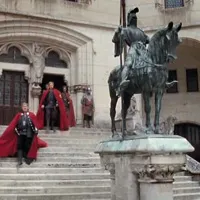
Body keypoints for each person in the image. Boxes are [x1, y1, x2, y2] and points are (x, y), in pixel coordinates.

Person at [112, 7, 150, 96]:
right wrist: (117, 32)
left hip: (143, 52)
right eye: (133, 16)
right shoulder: (125, 30)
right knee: (128, 64)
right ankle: (122, 83)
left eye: (135, 16)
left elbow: (149, 40)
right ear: (129, 18)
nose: (134, 18)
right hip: (133, 50)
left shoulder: (141, 31)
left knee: (152, 64)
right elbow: (115, 39)